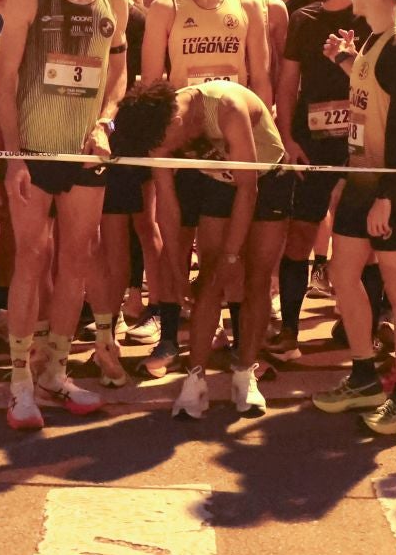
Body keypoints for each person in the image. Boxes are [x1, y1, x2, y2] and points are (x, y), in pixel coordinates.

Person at [0, 0, 125, 430]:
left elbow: (118, 75)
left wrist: (107, 122)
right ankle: (19, 381)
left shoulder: (113, 1)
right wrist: (13, 157)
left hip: (84, 151)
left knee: (77, 259)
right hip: (34, 149)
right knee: (31, 257)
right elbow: (5, 81)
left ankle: (56, 370)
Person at [139, 0, 272, 376]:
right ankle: (170, 337)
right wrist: (158, 157)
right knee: (175, 246)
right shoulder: (166, 8)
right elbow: (152, 89)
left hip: (229, 145)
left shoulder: (250, 6)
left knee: (222, 252)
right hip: (181, 146)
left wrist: (257, 145)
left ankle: (236, 344)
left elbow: (262, 82)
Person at [115, 76, 292, 418]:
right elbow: (167, 207)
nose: (164, 151)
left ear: (177, 121)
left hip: (265, 178)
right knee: (209, 277)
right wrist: (178, 272)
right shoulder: (158, 133)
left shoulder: (226, 108)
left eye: (166, 145)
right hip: (218, 183)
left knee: (254, 278)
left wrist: (231, 255)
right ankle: (194, 380)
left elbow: (248, 189)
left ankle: (245, 374)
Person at [311, 0, 396, 435]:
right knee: (342, 273)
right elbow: (373, 97)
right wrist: (345, 60)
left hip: (394, 189)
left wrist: (387, 193)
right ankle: (363, 375)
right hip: (362, 179)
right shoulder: (375, 39)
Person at [273, 0, 363, 358]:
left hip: (359, 144)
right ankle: (289, 329)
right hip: (310, 142)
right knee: (301, 233)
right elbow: (287, 84)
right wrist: (288, 137)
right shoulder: (304, 19)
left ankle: (358, 325)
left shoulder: (368, 17)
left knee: (360, 241)